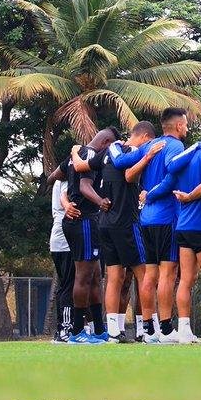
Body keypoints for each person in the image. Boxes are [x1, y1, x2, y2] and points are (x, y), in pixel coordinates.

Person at [70, 121, 159, 343]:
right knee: (144, 276)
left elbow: (81, 167)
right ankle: (149, 330)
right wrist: (147, 158)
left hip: (105, 223)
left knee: (114, 277)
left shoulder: (108, 151)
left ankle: (112, 332)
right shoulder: (134, 151)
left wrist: (74, 149)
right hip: (127, 222)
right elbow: (129, 175)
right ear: (146, 138)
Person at [148, 128, 201, 343]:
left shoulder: (183, 160)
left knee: (186, 279)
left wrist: (147, 195)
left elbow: (165, 185)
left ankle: (184, 330)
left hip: (183, 228)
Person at [48, 127, 119, 344]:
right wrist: (100, 202)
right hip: (83, 220)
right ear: (106, 142)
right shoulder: (88, 155)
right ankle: (77, 332)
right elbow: (84, 185)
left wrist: (67, 193)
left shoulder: (77, 155)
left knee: (96, 275)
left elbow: (53, 177)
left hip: (84, 221)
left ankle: (98, 330)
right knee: (83, 276)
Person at [137, 107, 189, 342]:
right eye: (186, 124)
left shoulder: (149, 145)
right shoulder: (176, 146)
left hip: (146, 218)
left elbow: (130, 170)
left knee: (150, 274)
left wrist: (144, 193)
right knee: (168, 273)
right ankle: (166, 329)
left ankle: (149, 329)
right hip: (166, 217)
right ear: (178, 126)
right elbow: (171, 176)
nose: (187, 128)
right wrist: (153, 194)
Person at [49, 179, 74, 342]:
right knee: (68, 286)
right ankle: (65, 328)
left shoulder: (58, 181)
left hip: (57, 242)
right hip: (65, 243)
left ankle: (62, 329)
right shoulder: (65, 181)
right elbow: (65, 200)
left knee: (64, 286)